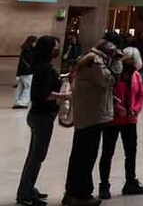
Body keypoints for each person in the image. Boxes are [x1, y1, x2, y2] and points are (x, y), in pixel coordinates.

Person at [63, 38, 121, 206]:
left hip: (89, 113)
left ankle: (74, 192)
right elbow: (108, 80)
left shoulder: (92, 59)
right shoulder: (95, 61)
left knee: (81, 155)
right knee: (85, 157)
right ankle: (80, 194)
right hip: (92, 116)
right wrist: (116, 62)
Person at [17, 36, 64, 206]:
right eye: (54, 47)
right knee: (37, 156)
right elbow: (43, 95)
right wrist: (65, 96)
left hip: (39, 116)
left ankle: (27, 188)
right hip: (42, 117)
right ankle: (25, 193)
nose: (57, 50)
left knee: (34, 155)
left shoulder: (43, 67)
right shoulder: (44, 69)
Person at [98, 47, 143, 199]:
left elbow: (141, 95)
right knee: (107, 153)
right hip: (112, 120)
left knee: (131, 152)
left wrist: (135, 109)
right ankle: (104, 185)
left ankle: (130, 182)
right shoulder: (114, 75)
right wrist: (115, 106)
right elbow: (106, 94)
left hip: (130, 119)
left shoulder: (136, 76)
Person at [14, 36, 36, 109]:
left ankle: (17, 101)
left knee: (20, 87)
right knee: (28, 87)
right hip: (28, 72)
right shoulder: (30, 50)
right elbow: (30, 61)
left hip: (23, 71)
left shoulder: (24, 49)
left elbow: (20, 63)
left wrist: (18, 74)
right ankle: (23, 102)